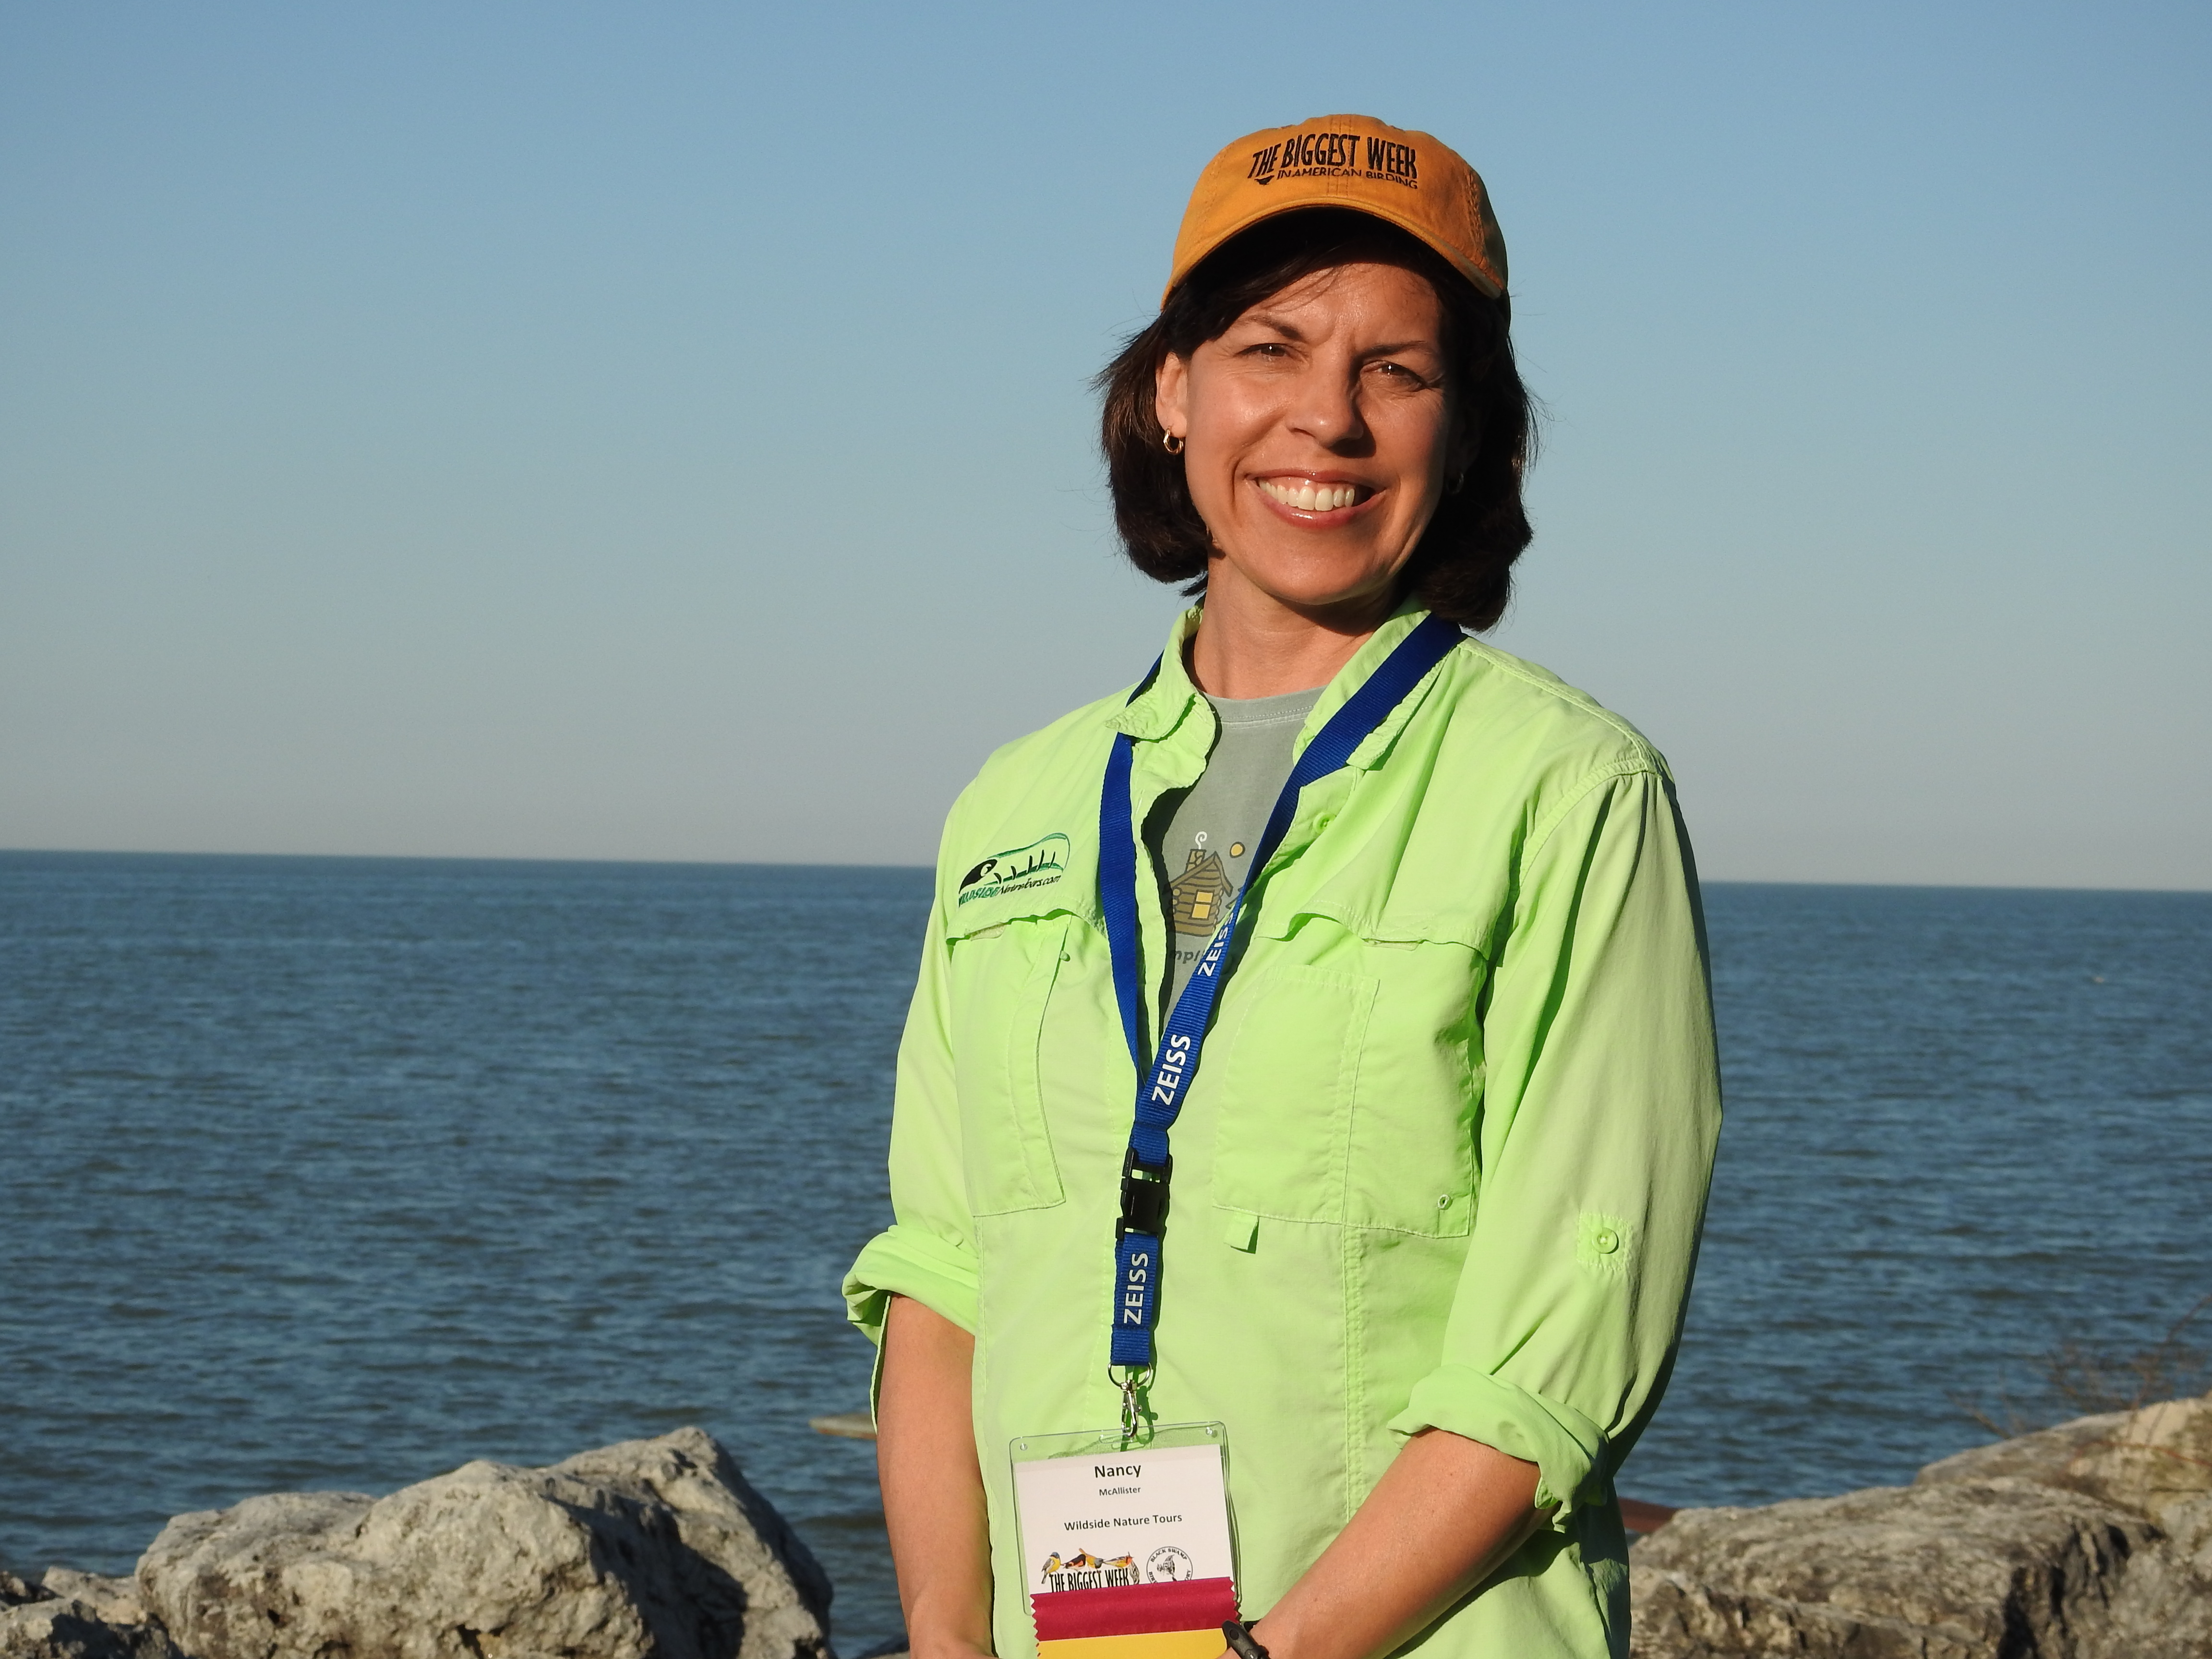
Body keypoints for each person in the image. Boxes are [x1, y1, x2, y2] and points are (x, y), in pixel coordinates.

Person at [844, 114, 1722, 1659]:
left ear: (1470, 431)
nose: (1328, 417)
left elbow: (1556, 1350)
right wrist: (943, 1631)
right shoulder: (1016, 803)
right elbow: (945, 1272)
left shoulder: (1572, 792)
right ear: (1174, 392)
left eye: (1399, 370)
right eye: (1272, 348)